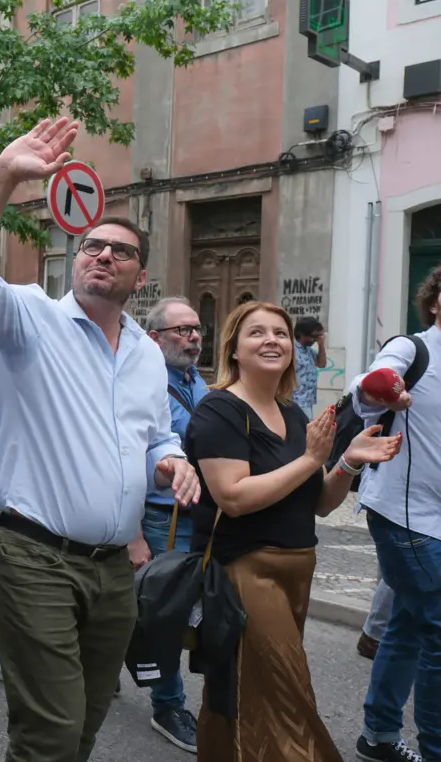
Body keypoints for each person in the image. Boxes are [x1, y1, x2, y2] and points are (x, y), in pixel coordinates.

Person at [0, 116, 201, 762]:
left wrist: (171, 462)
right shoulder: (30, 318)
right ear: (75, 260)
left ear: (140, 277)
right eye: (90, 245)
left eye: (120, 250)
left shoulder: (145, 354)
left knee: (84, 724)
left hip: (113, 570)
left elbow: (155, 434)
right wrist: (3, 176)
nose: (102, 253)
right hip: (34, 556)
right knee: (51, 730)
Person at [186, 300, 401, 761]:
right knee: (288, 696)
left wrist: (346, 460)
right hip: (245, 572)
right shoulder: (219, 409)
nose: (272, 340)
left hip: (296, 574)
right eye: (257, 333)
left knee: (240, 693)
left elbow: (319, 503)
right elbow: (234, 497)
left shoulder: (294, 415)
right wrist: (310, 458)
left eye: (280, 333)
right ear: (235, 350)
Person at [350, 265, 441, 762]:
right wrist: (386, 388)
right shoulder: (415, 348)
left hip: (436, 519)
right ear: (435, 299)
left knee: (407, 623)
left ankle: (379, 737)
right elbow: (369, 382)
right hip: (405, 516)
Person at [135, 295, 210, 752]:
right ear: (154, 337)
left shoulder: (199, 382)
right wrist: (133, 534)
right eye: (182, 330)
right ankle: (168, 705)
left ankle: (106, 666)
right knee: (165, 615)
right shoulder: (142, 386)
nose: (194, 337)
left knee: (194, 614)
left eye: (196, 328)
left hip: (204, 518)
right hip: (162, 517)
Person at [293, 316, 327, 417]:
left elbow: (321, 364)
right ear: (301, 334)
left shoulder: (308, 350)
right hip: (295, 402)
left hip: (307, 402)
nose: (314, 340)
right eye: (312, 337)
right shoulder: (291, 349)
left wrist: (321, 344)